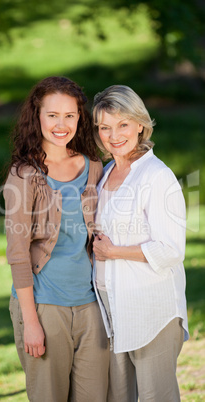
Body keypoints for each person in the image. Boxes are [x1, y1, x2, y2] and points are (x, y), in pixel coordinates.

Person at [3, 76, 109, 402]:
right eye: (52, 115)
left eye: (69, 115)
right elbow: (18, 255)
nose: (61, 124)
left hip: (92, 306)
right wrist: (31, 322)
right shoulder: (24, 175)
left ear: (80, 118)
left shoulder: (93, 168)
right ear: (37, 117)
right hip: (45, 305)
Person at [92, 85, 189, 402]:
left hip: (151, 309)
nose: (114, 135)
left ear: (140, 125)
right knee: (122, 396)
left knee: (154, 396)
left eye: (122, 125)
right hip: (114, 309)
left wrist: (113, 252)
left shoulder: (157, 176)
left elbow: (171, 250)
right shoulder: (107, 173)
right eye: (105, 127)